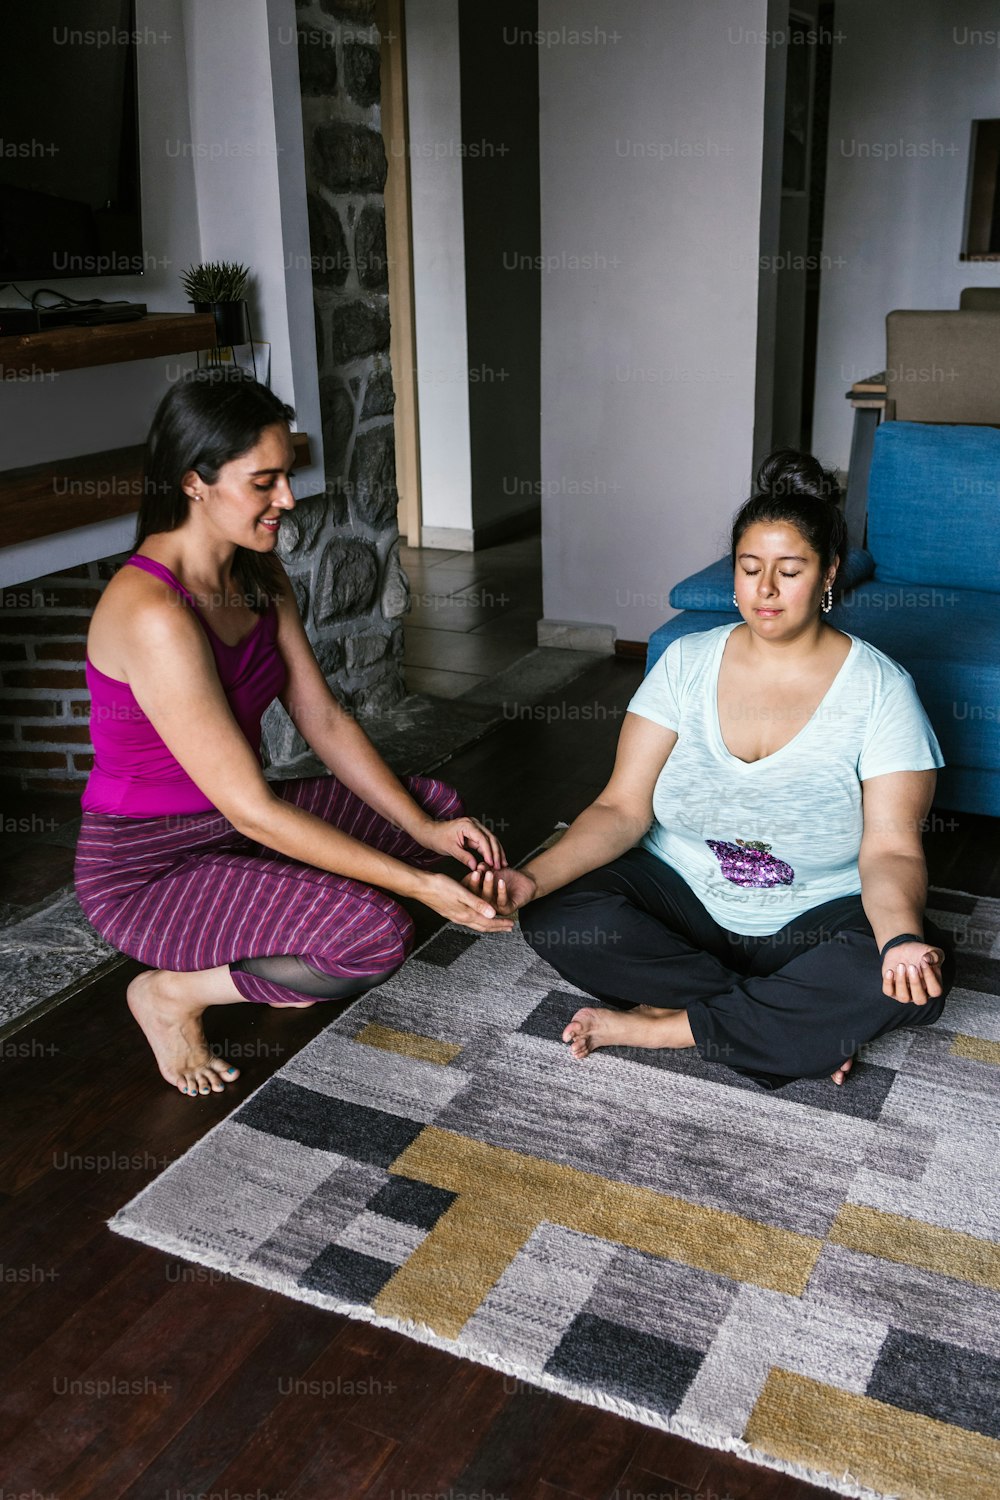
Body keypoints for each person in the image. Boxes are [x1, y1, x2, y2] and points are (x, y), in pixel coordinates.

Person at [74, 369, 512, 1098]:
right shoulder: (151, 612)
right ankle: (169, 994)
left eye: (287, 477)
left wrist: (424, 837)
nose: (287, 499)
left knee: (435, 807)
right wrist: (421, 885)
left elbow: (324, 718)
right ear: (195, 482)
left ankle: (274, 931)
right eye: (264, 481)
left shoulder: (256, 571)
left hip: (233, 831)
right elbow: (253, 810)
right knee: (371, 935)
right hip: (147, 872)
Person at [465, 450, 954, 1090]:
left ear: (829, 572)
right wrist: (528, 878)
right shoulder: (684, 662)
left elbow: (890, 849)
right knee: (559, 913)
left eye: (790, 570)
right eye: (750, 569)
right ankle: (785, 1023)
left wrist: (896, 944)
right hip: (685, 895)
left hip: (813, 914)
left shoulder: (882, 691)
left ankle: (663, 1026)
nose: (766, 590)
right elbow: (621, 808)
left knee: (913, 977)